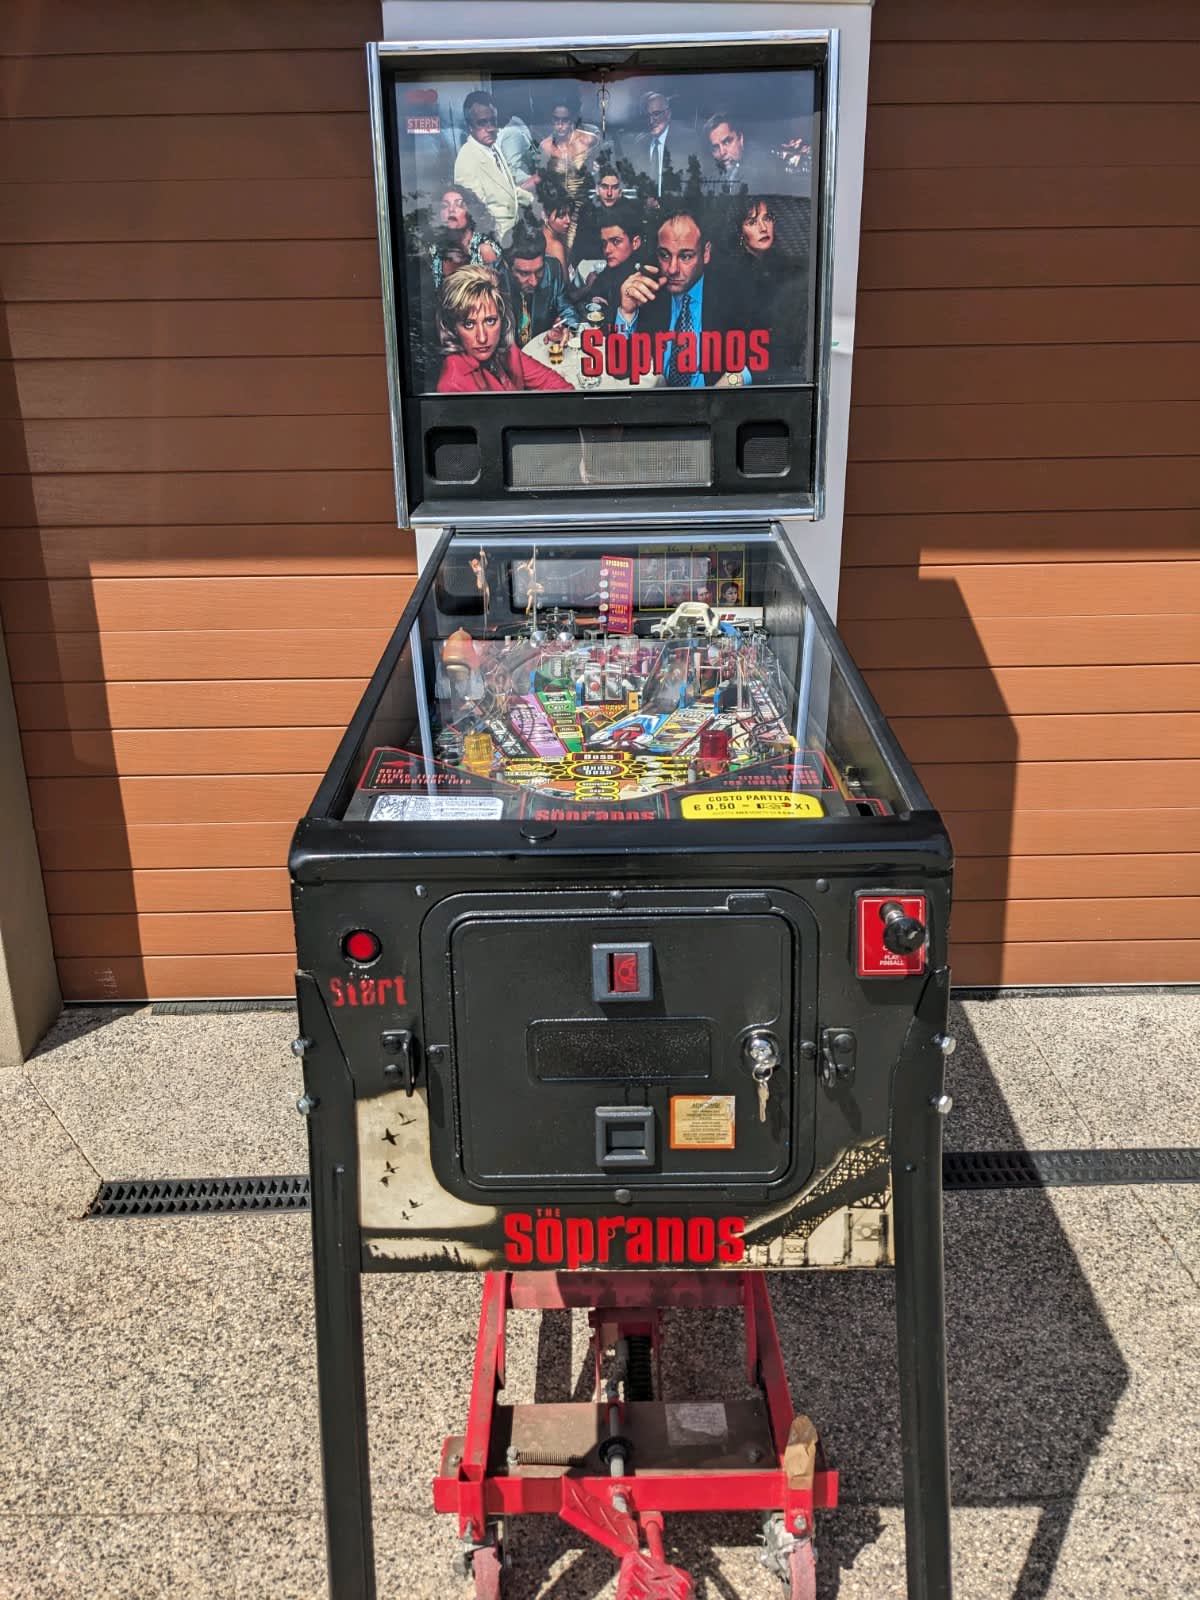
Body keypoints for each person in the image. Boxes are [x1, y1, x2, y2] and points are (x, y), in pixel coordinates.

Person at [614, 207, 751, 388]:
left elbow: (766, 357)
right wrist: (627, 312)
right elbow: (620, 370)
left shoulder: (733, 293)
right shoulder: (649, 293)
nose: (672, 269)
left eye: (685, 257)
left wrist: (729, 384)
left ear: (706, 253)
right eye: (664, 255)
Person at [435, 265, 572, 393]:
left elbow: (550, 381)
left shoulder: (506, 348)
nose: (482, 338)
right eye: (469, 324)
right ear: (453, 327)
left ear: (502, 318)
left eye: (490, 321)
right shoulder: (452, 385)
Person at [729, 196, 806, 379]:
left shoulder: (788, 268)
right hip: (747, 368)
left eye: (767, 218)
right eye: (752, 222)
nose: (763, 228)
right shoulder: (733, 273)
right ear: (740, 232)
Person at [454, 90, 533, 246]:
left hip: (513, 237)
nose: (490, 128)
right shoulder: (466, 158)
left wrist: (534, 201)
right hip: (494, 244)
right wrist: (495, 245)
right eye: (482, 122)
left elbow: (507, 191)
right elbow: (475, 214)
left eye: (493, 121)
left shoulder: (493, 147)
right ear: (470, 126)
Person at [500, 220, 579, 347]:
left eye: (539, 271)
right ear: (506, 265)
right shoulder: (493, 279)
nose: (534, 281)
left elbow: (567, 309)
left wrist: (567, 327)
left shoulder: (553, 268)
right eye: (524, 273)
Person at [625, 89, 701, 200]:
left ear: (668, 114)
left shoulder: (687, 139)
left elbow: (693, 181)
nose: (651, 121)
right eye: (647, 116)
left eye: (656, 114)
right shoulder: (640, 143)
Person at [427, 185, 500, 290]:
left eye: (459, 205)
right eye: (444, 206)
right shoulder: (434, 250)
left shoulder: (484, 249)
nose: (451, 210)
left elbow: (498, 295)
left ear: (470, 213)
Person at [584, 203, 645, 327]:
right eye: (604, 243)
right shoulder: (613, 268)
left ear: (635, 243)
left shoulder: (642, 280)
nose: (607, 250)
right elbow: (597, 289)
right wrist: (596, 299)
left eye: (616, 241)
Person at [539, 92, 599, 214]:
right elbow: (543, 181)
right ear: (551, 119)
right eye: (556, 120)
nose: (560, 125)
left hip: (586, 204)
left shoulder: (589, 140)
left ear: (572, 119)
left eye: (565, 120)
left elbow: (604, 171)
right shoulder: (545, 147)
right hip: (559, 207)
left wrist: (596, 173)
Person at [701, 109, 773, 194]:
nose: (722, 152)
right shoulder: (709, 184)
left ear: (740, 139)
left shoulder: (761, 175)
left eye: (727, 142)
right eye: (716, 148)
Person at [572, 166, 627, 267]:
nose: (609, 193)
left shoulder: (628, 212)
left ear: (620, 191)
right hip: (591, 266)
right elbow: (579, 250)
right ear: (597, 189)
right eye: (605, 187)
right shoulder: (587, 211)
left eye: (614, 188)